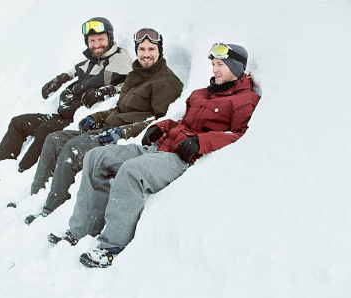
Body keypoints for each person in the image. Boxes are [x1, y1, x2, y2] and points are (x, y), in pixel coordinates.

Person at [48, 43, 261, 268]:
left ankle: (112, 246)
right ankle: (82, 229)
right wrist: (161, 126)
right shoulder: (201, 94)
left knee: (131, 172)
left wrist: (201, 141)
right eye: (213, 64)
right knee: (96, 157)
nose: (214, 70)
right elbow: (183, 122)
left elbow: (238, 135)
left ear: (236, 68)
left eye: (220, 65)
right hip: (161, 146)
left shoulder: (244, 100)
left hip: (179, 158)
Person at [22, 28, 184, 224]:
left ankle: (53, 208)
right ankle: (35, 198)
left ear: (160, 50)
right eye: (142, 49)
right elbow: (118, 108)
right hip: (107, 127)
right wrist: (96, 117)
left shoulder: (166, 82)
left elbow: (160, 122)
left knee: (72, 148)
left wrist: (122, 132)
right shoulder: (135, 75)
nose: (146, 54)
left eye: (151, 49)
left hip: (122, 136)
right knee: (54, 138)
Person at [0, 17, 132, 174]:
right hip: (63, 115)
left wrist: (108, 90)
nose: (96, 45)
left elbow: (133, 82)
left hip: (78, 121)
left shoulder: (119, 58)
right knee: (19, 122)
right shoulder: (92, 59)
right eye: (92, 41)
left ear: (109, 38)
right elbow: (75, 69)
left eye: (100, 39)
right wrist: (61, 78)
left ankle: (20, 173)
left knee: (45, 130)